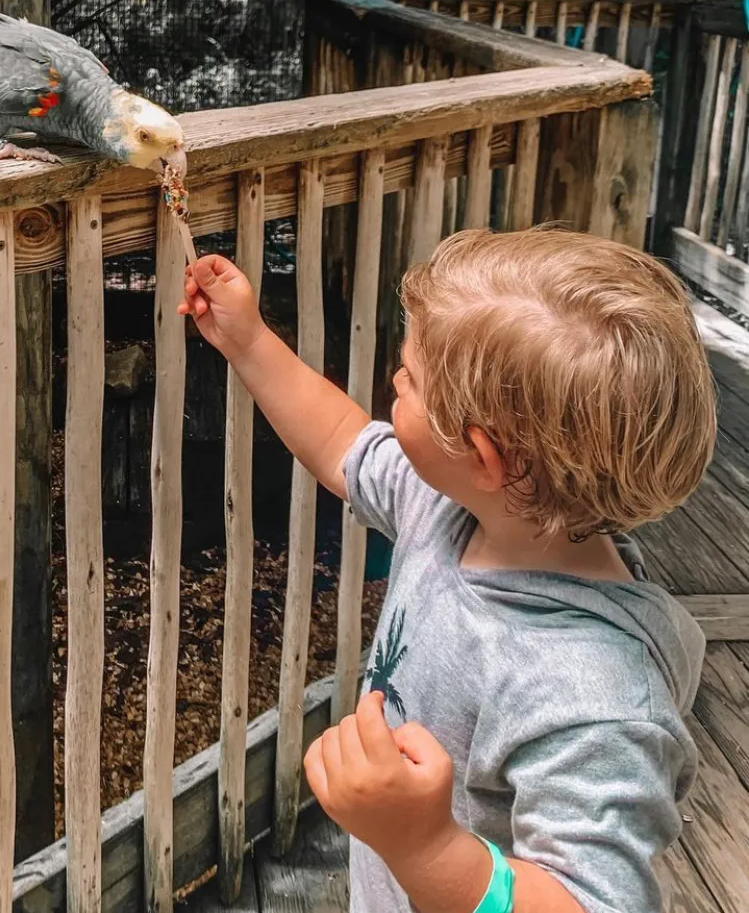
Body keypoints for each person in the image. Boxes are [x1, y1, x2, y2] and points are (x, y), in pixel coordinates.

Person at [180, 228, 716, 913]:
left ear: (483, 456)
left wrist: (426, 849)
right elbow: (340, 439)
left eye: (408, 380)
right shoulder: (451, 506)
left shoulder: (593, 695)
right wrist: (248, 340)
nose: (390, 386)